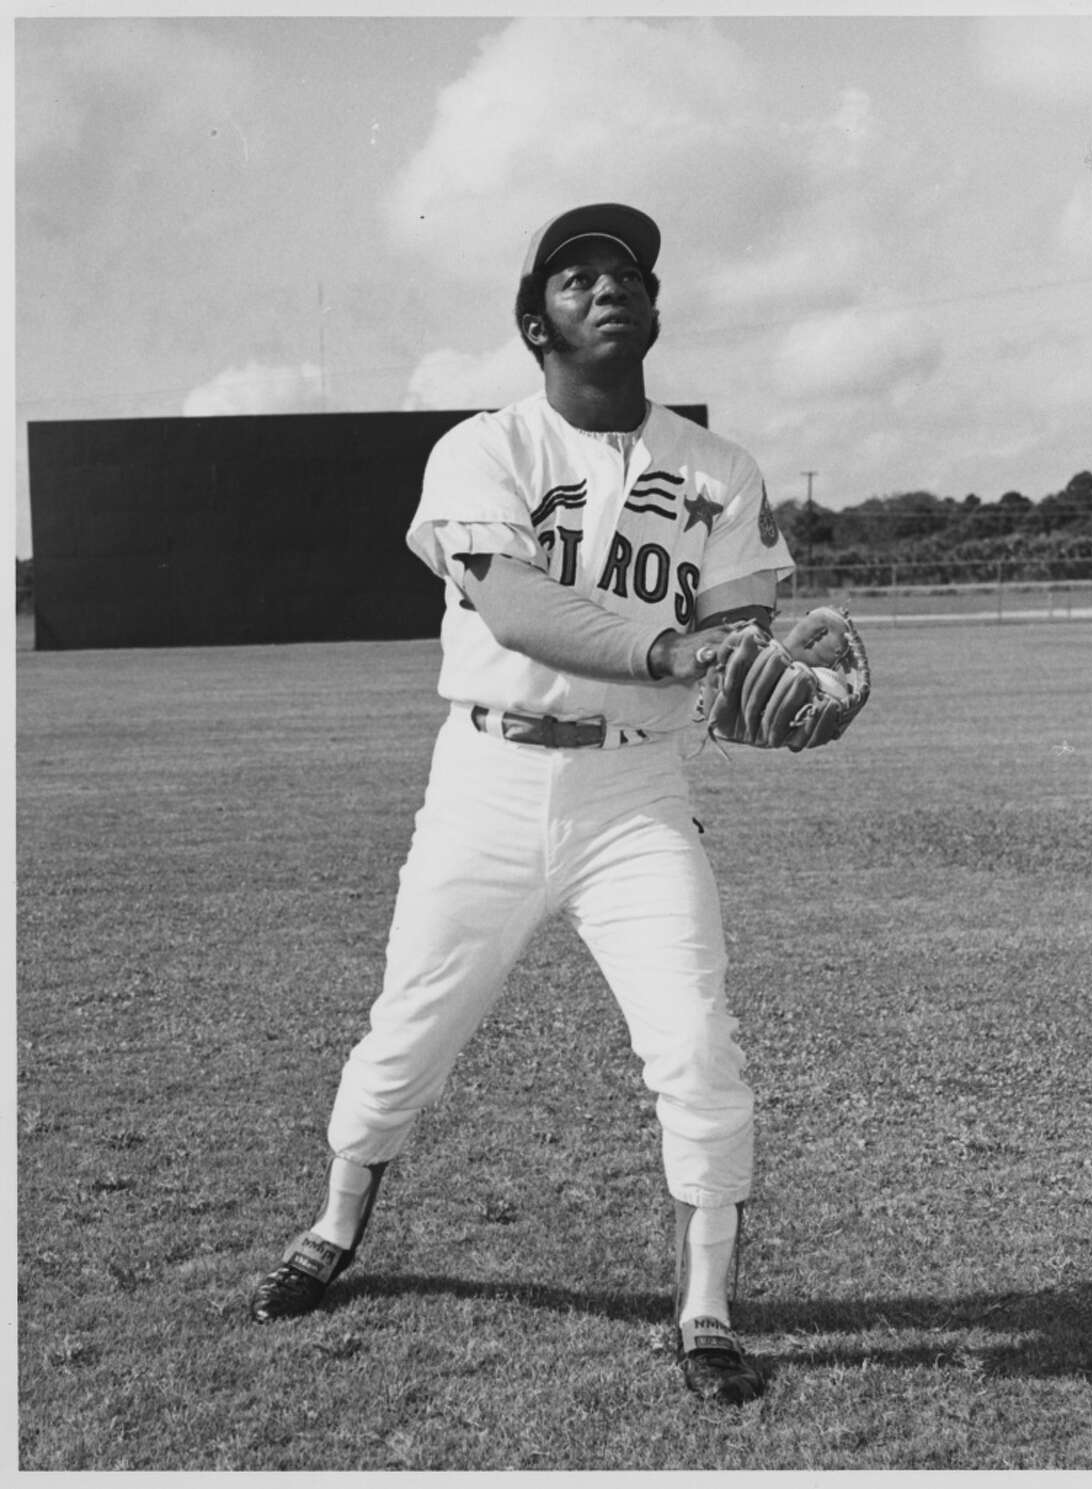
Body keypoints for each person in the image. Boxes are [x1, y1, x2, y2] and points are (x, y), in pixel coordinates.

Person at [249, 203, 797, 1405]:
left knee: (697, 1042)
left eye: (629, 274)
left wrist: (768, 673)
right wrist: (670, 651)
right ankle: (336, 1225)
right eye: (577, 275)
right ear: (533, 320)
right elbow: (514, 608)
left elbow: (739, 623)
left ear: (656, 310)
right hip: (489, 782)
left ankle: (704, 1305)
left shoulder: (721, 469)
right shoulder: (482, 447)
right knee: (409, 1031)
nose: (610, 288)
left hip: (636, 792)